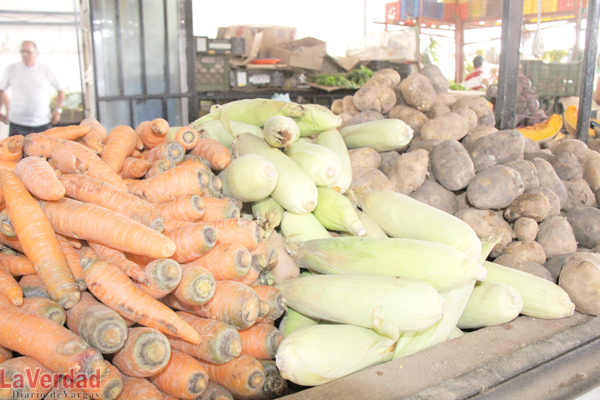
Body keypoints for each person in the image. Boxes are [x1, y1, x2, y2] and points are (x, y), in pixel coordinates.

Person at [0, 40, 65, 136]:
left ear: (36, 53)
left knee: (44, 150)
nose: (25, 54)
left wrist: (58, 110)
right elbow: (1, 90)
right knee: (15, 150)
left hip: (42, 123)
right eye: (22, 51)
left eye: (28, 52)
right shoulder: (11, 69)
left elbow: (60, 91)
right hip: (17, 124)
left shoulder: (46, 70)